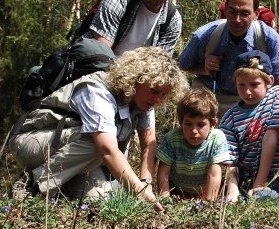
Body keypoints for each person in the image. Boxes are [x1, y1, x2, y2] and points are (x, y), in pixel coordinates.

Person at [10, 47, 190, 210]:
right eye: (154, 91)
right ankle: (32, 183)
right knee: (97, 144)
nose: (158, 100)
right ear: (137, 79)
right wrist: (139, 191)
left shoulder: (143, 102)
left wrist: (146, 183)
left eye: (164, 94)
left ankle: (56, 190)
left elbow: (149, 142)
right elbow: (107, 150)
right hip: (30, 141)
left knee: (98, 203)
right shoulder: (98, 90)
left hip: (74, 152)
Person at [179, 0, 279, 117]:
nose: (237, 19)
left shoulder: (268, 38)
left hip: (250, 103)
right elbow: (182, 65)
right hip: (208, 100)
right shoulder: (205, 35)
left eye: (244, 14)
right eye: (232, 12)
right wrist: (204, 68)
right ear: (225, 9)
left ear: (256, 14)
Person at [220, 51, 279, 201]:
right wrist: (232, 192)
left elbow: (271, 135)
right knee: (230, 202)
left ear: (269, 81)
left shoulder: (278, 94)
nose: (247, 91)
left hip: (273, 181)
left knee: (265, 198)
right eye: (242, 85)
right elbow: (231, 162)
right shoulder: (230, 118)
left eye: (254, 84)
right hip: (243, 184)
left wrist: (259, 183)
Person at [156, 88, 230, 200]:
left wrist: (208, 203)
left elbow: (214, 175)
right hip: (177, 191)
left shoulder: (217, 139)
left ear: (213, 124)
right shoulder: (172, 138)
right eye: (188, 124)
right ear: (181, 122)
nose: (194, 131)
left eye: (200, 125)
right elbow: (163, 173)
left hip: (205, 192)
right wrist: (165, 200)